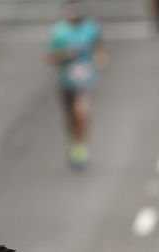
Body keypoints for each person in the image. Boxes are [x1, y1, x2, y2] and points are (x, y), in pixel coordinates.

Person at [48, 1, 106, 168]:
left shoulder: (90, 29)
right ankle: (74, 141)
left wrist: (101, 59)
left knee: (81, 112)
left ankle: (81, 144)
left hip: (85, 80)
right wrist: (65, 55)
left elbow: (98, 46)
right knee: (69, 116)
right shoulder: (59, 33)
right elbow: (50, 57)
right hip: (66, 81)